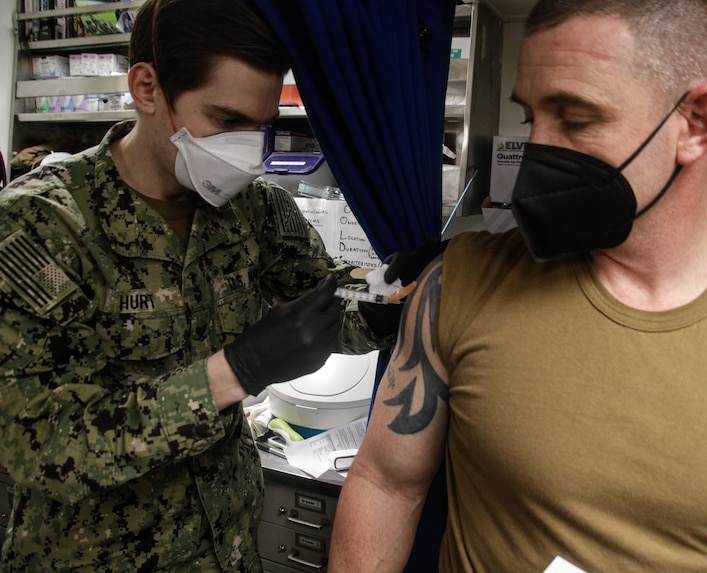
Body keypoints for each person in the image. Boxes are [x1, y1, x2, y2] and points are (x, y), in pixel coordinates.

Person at [328, 0, 707, 571]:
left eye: (576, 118)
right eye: (533, 117)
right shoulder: (460, 281)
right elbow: (386, 484)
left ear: (697, 123)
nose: (538, 151)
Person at [0, 0, 408, 570]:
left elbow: (320, 302)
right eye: (225, 121)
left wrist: (388, 295)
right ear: (147, 88)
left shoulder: (257, 210)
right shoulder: (38, 227)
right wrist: (233, 371)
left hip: (228, 546)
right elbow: (41, 445)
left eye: (261, 126)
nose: (247, 150)